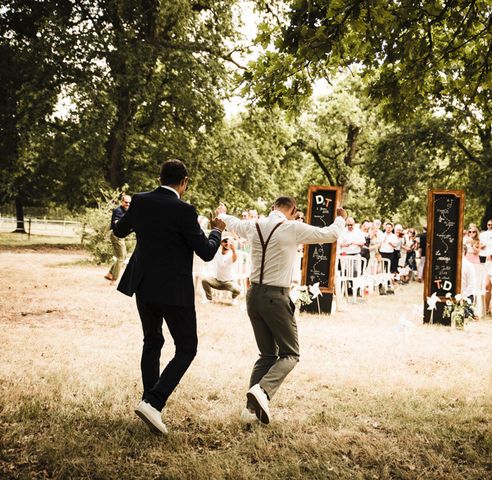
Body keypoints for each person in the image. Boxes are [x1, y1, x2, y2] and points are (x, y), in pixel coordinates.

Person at [114, 159, 225, 435]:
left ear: (159, 177)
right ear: (184, 182)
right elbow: (206, 251)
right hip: (174, 291)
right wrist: (217, 229)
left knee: (152, 341)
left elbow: (119, 230)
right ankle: (154, 401)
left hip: (143, 285)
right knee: (187, 347)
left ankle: (149, 404)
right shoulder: (184, 210)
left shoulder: (139, 201)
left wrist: (122, 218)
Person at [216, 197, 346, 425]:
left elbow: (231, 222)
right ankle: (263, 391)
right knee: (290, 353)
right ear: (294, 211)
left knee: (266, 355)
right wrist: (340, 218)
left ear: (272, 208)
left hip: (253, 295)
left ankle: (250, 412)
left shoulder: (253, 225)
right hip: (276, 296)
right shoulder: (293, 228)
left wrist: (223, 213)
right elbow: (330, 234)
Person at [201, 236, 241, 305]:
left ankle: (234, 299)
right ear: (221, 243)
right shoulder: (216, 253)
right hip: (216, 281)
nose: (227, 243)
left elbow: (234, 259)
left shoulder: (231, 254)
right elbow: (209, 250)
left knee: (238, 290)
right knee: (204, 280)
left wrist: (234, 250)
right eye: (225, 241)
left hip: (228, 282)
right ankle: (209, 299)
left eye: (228, 242)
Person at [104, 194, 131, 284]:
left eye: (129, 203)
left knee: (123, 256)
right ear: (122, 202)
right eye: (126, 202)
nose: (128, 204)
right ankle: (114, 279)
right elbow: (116, 223)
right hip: (116, 235)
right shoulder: (118, 211)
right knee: (121, 258)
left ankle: (110, 274)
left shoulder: (127, 211)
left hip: (120, 236)